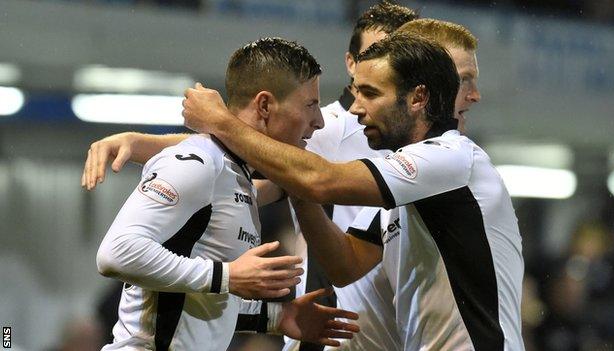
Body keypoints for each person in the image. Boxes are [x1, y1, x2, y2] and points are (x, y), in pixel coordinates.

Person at [83, 3, 418, 351]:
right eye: (309, 106)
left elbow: (197, 300)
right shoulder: (200, 162)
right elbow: (115, 254)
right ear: (264, 106)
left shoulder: (239, 177)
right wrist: (228, 275)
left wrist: (275, 318)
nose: (317, 121)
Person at [181, 32, 525, 351]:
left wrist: (221, 122)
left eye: (371, 94)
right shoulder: (401, 187)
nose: (357, 108)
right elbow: (344, 265)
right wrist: (300, 193)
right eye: (357, 92)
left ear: (418, 98)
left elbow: (321, 180)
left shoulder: (451, 158)